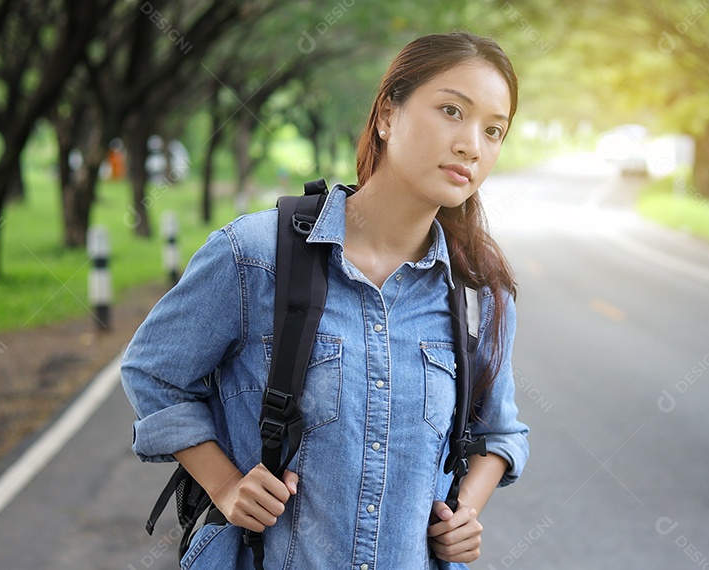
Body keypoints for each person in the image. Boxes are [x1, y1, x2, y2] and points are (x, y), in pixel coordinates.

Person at [121, 31, 529, 569]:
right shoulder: (255, 256)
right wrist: (224, 486)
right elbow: (154, 371)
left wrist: (464, 513)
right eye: (452, 110)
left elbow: (501, 431)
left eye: (493, 130)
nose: (472, 145)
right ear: (387, 114)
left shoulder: (479, 296)